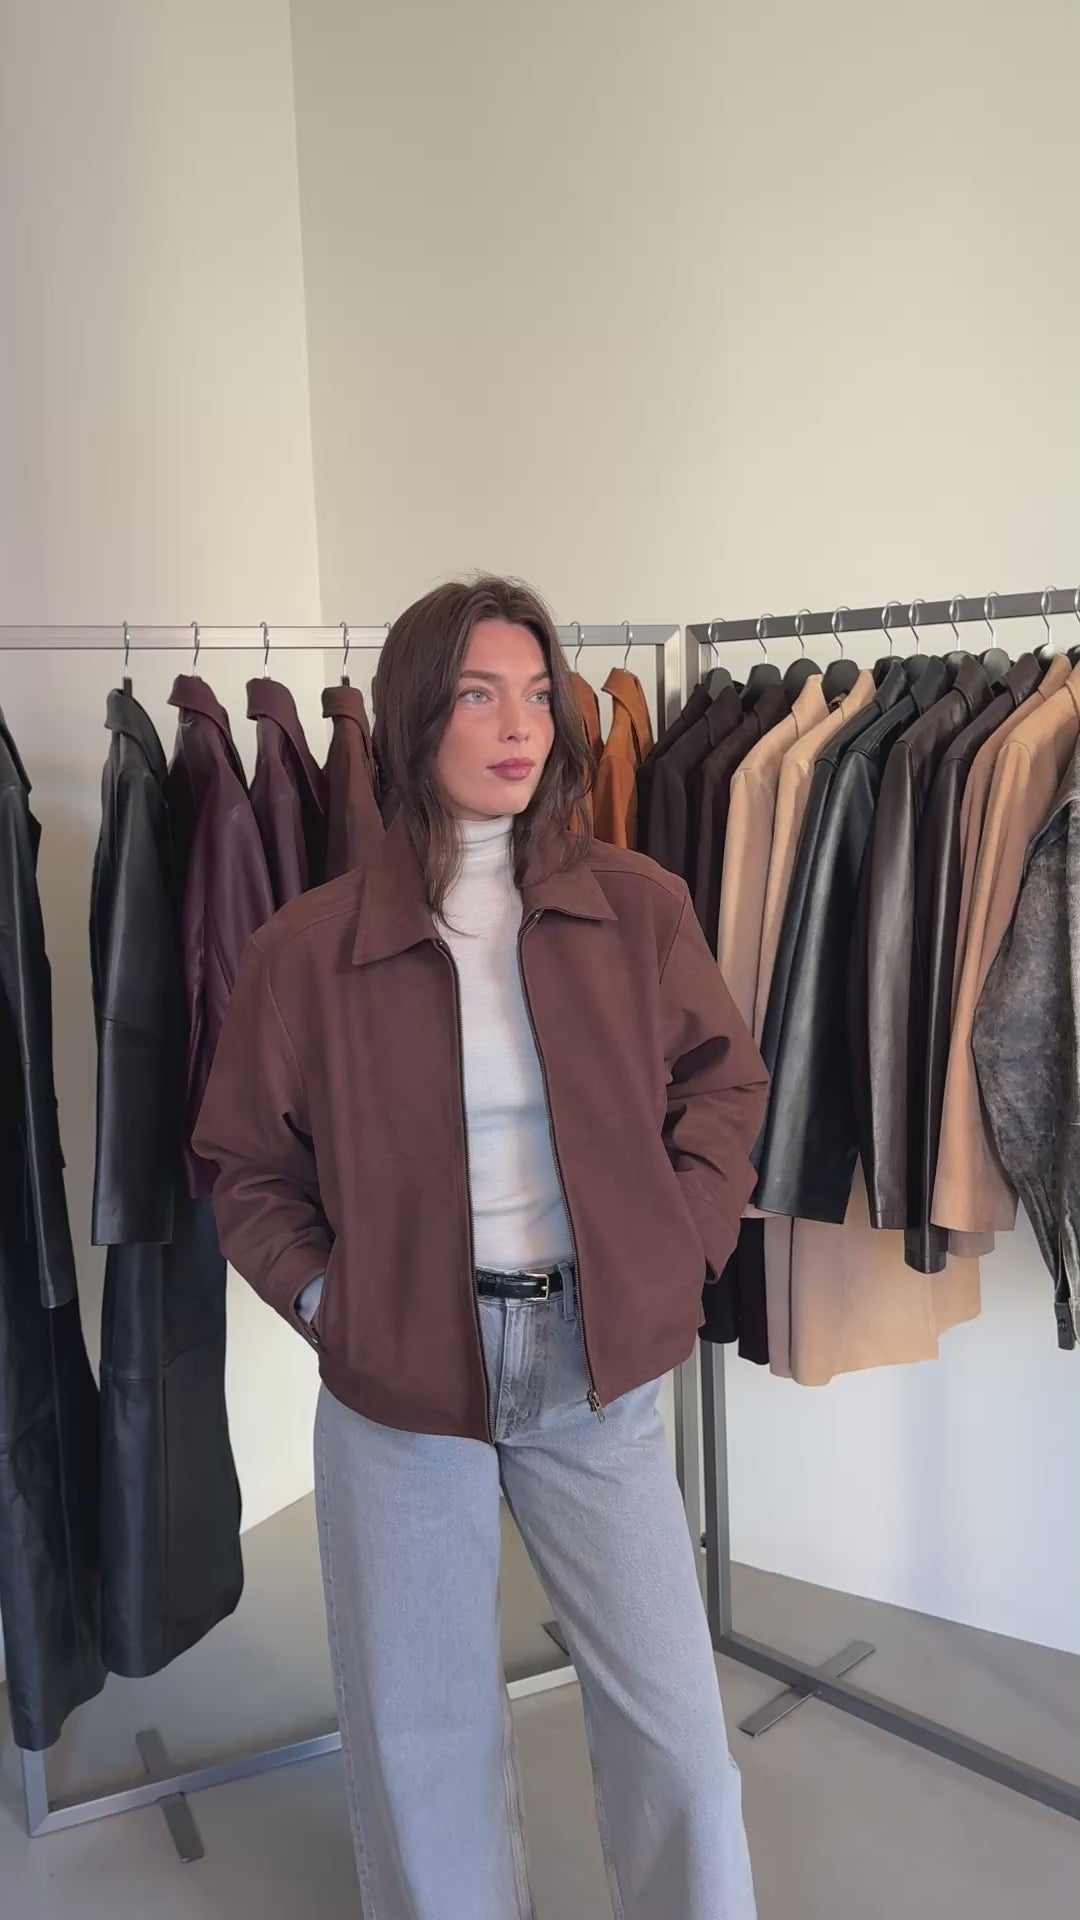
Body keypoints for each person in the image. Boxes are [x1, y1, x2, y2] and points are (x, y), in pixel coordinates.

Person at [194, 575, 767, 1920]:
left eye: (535, 694)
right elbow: (244, 1164)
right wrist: (331, 1300)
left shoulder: (637, 908)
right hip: (402, 1380)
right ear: (412, 716)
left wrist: (675, 1249)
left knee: (678, 1732)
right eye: (475, 694)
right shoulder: (306, 951)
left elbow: (724, 1087)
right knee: (425, 1742)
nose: (519, 726)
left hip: (595, 1361)